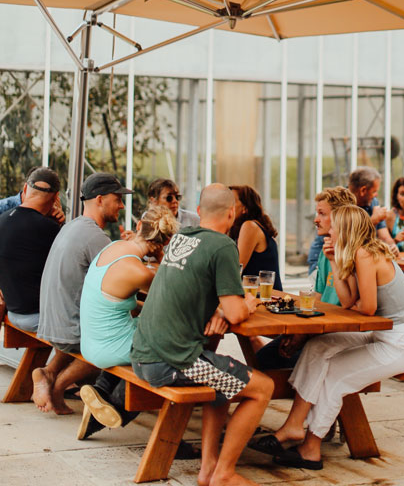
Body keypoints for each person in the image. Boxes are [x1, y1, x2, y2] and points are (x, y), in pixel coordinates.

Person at [257, 204, 404, 471]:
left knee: (335, 375)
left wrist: (355, 305)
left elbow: (365, 308)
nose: (328, 229)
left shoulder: (366, 254)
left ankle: (311, 447)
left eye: (333, 225)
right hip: (380, 333)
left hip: (401, 341)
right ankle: (294, 425)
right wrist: (333, 261)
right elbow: (348, 302)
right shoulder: (356, 254)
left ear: (345, 229)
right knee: (319, 345)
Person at [130, 183, 274, 486]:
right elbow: (236, 312)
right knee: (262, 387)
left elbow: (201, 290)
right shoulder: (223, 245)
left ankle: (208, 468)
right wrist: (246, 303)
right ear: (232, 214)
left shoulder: (182, 237)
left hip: (143, 351)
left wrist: (218, 310)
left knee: (222, 378)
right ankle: (224, 473)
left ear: (197, 212)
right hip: (171, 360)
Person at [35, 172, 133, 416]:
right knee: (111, 344)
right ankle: (59, 386)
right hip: (69, 329)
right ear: (99, 200)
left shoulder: (72, 226)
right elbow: (122, 280)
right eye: (117, 199)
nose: (121, 205)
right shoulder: (96, 238)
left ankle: (48, 372)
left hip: (52, 323)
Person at [254, 186, 356, 371]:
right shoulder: (326, 251)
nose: (316, 220)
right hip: (318, 329)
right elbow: (317, 297)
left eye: (322, 213)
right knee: (263, 359)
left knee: (269, 362)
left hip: (339, 336)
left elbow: (353, 310)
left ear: (341, 216)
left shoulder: (356, 253)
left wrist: (304, 335)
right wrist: (299, 331)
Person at [80, 204, 178, 368]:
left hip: (90, 343)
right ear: (167, 240)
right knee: (182, 335)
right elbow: (175, 295)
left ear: (139, 225)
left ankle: (104, 389)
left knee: (151, 325)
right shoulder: (140, 273)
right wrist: (161, 255)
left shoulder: (113, 246)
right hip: (110, 349)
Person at [0, 167, 63, 332]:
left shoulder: (3, 218)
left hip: (13, 312)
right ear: (56, 197)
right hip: (38, 316)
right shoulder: (49, 228)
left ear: (26, 189)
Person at [307, 166, 396, 270]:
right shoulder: (339, 201)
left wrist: (392, 246)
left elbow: (384, 235)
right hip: (324, 260)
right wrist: (373, 220)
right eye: (374, 191)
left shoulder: (373, 202)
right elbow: (347, 235)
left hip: (348, 262)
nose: (375, 195)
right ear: (363, 190)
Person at [229, 185, 282, 290]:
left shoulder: (250, 226)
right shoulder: (245, 227)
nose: (227, 206)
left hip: (265, 298)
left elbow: (235, 268)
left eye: (232, 202)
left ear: (245, 208)